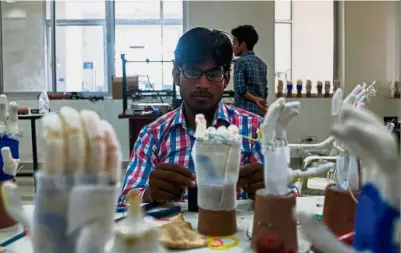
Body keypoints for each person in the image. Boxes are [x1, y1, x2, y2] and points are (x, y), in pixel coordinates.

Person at [119, 27, 264, 204]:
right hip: (173, 230)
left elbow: (292, 195)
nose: (203, 84)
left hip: (236, 230)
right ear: (176, 75)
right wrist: (149, 195)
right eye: (193, 72)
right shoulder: (153, 135)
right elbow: (125, 200)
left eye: (214, 73)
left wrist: (273, 188)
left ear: (226, 79)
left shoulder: (254, 129)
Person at [231, 25, 268, 116]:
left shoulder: (240, 62)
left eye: (234, 43)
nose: (233, 47)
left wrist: (255, 99)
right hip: (259, 113)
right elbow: (264, 91)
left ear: (242, 44)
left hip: (243, 113)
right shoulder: (262, 64)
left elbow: (241, 89)